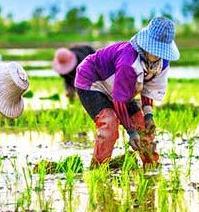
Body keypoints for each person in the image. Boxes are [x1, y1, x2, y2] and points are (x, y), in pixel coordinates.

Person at [75, 17, 180, 167]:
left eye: (161, 51)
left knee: (143, 124)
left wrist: (149, 115)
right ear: (146, 46)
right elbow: (119, 100)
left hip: (120, 83)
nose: (157, 55)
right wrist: (131, 132)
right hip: (92, 79)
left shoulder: (162, 63)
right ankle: (98, 169)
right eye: (155, 50)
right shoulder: (128, 63)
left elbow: (148, 89)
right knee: (109, 124)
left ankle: (151, 167)